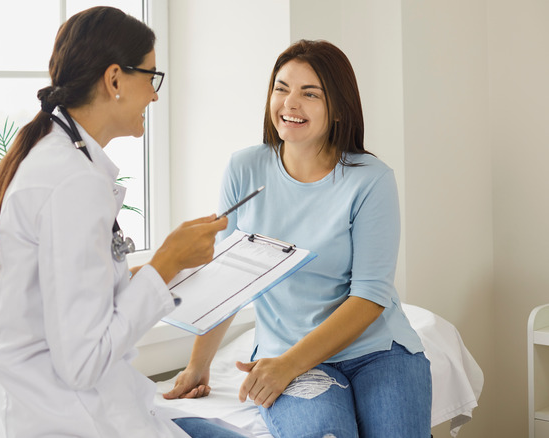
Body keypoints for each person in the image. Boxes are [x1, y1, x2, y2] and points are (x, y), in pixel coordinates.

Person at [0, 6, 251, 438]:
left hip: (58, 411)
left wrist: (175, 269)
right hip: (72, 420)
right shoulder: (72, 183)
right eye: (151, 76)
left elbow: (77, 289)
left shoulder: (54, 154)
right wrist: (165, 263)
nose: (155, 95)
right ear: (115, 80)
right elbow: (83, 362)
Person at [163, 39, 432, 437]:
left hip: (377, 352)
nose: (290, 103)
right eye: (281, 88)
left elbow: (370, 296)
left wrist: (287, 366)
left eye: (310, 93)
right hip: (286, 350)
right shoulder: (245, 168)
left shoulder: (371, 179)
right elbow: (229, 278)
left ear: (339, 107)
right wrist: (197, 366)